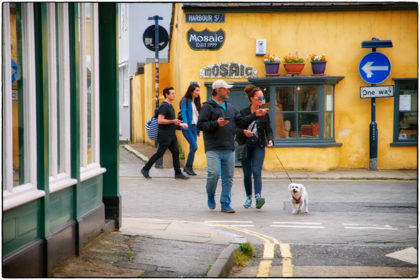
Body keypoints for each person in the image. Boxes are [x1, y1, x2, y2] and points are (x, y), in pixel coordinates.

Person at [197, 80, 268, 213]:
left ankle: (225, 203)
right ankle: (211, 195)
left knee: (228, 178)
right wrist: (216, 124)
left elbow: (241, 122)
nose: (228, 91)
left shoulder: (231, 108)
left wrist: (254, 115)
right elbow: (200, 125)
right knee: (213, 174)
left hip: (229, 147)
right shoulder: (208, 107)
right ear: (218, 90)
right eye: (226, 89)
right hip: (213, 148)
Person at [236, 85, 274, 210]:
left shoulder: (264, 114)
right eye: (259, 98)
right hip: (246, 145)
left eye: (262, 98)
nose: (261, 100)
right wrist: (243, 132)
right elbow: (238, 127)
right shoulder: (243, 112)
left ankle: (258, 197)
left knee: (257, 171)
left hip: (259, 144)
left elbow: (269, 130)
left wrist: (270, 140)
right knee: (247, 173)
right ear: (252, 99)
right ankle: (248, 197)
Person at [141, 87, 189, 180]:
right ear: (166, 95)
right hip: (164, 135)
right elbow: (160, 120)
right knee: (159, 153)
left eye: (174, 93)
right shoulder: (164, 106)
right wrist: (173, 121)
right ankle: (145, 169)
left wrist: (181, 124)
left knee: (176, 152)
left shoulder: (170, 106)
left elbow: (172, 121)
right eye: (172, 93)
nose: (174, 95)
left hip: (171, 134)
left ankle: (178, 173)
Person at [179, 82, 201, 176]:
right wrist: (185, 123)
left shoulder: (195, 102)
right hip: (187, 127)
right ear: (191, 91)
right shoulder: (185, 100)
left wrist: (198, 130)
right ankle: (188, 166)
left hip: (195, 127)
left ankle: (188, 168)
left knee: (193, 147)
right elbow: (183, 112)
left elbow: (198, 116)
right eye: (197, 90)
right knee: (195, 147)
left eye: (198, 91)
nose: (198, 92)